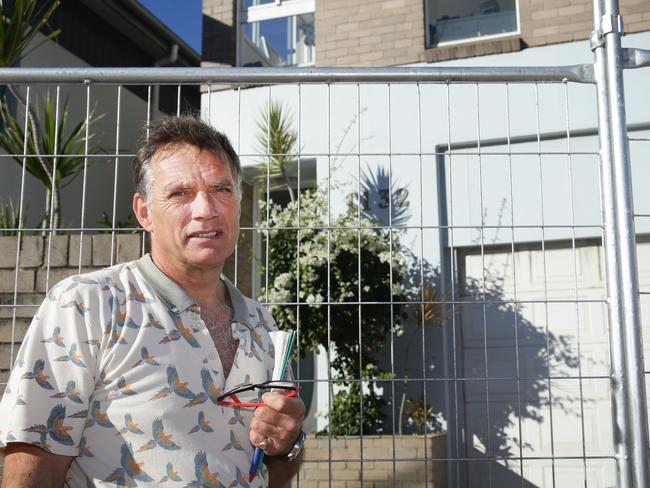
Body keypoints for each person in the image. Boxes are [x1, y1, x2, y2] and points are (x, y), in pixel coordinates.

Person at [0, 115, 306, 488]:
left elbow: (275, 469)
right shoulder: (85, 305)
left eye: (222, 189)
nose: (205, 208)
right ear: (144, 212)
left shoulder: (263, 325)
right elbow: (33, 463)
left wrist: (288, 444)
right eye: (180, 193)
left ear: (239, 204)